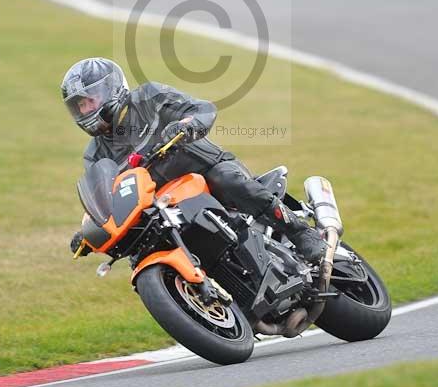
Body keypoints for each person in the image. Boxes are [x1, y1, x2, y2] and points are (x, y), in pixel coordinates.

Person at [63, 57, 326, 264]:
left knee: (229, 182)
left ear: (111, 89)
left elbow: (201, 109)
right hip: (160, 205)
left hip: (204, 171)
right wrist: (92, 231)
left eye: (89, 100)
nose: (85, 110)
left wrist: (187, 126)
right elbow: (104, 196)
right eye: (79, 106)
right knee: (140, 246)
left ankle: (301, 232)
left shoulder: (148, 98)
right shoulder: (94, 153)